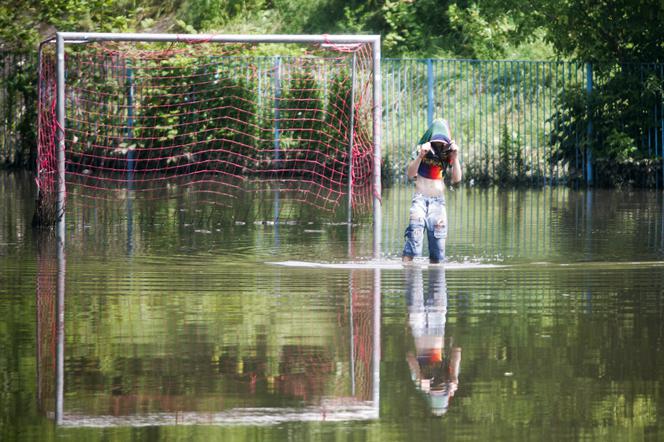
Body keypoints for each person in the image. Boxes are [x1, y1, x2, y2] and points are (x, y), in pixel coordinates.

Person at [402, 118, 462, 264]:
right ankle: (408, 276)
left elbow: (457, 179)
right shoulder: (422, 149)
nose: (439, 145)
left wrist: (455, 158)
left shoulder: (448, 153)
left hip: (438, 202)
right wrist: (420, 156)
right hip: (420, 199)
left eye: (442, 142)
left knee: (437, 253)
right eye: (437, 142)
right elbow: (410, 174)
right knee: (413, 242)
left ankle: (436, 285)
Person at [405, 266, 461, 416]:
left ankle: (413, 264)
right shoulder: (450, 376)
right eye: (441, 387)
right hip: (437, 326)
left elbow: (409, 356)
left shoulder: (419, 381)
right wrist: (454, 377)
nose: (438, 383)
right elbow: (457, 350)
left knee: (414, 282)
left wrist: (419, 377)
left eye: (435, 388)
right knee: (438, 278)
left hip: (418, 329)